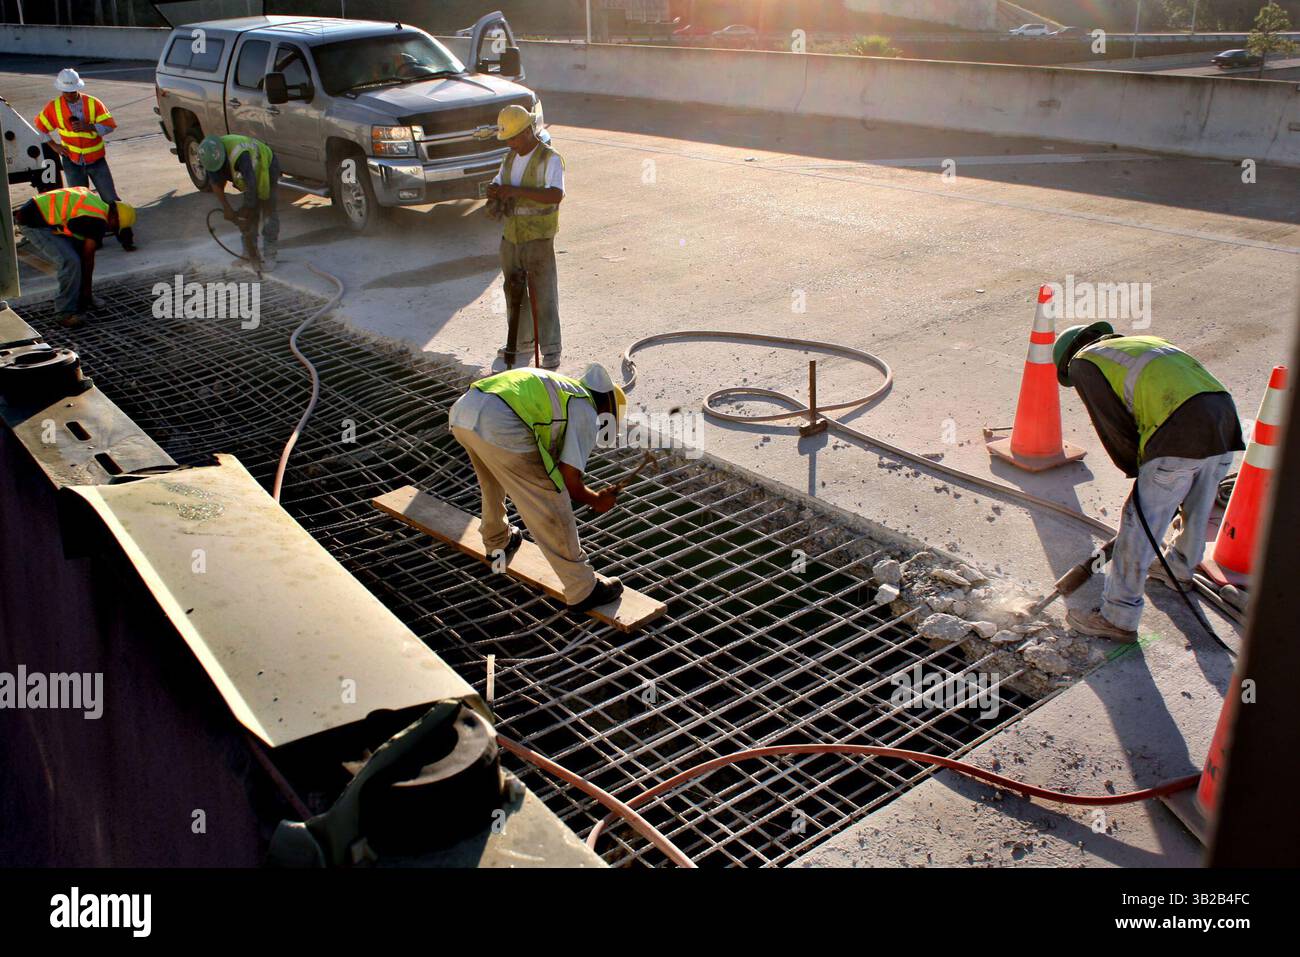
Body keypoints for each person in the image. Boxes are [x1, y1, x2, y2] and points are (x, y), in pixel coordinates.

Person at [1055, 323, 1245, 643]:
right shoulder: (1144, 343)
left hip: (1179, 430)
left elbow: (1113, 426)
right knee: (1199, 507)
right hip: (1224, 421)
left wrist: (1137, 470)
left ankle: (1118, 616)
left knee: (1138, 526)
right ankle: (1180, 569)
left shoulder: (1085, 361)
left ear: (1067, 362)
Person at [448, 363, 626, 611]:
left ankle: (497, 541)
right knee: (551, 499)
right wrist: (597, 500)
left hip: (464, 412)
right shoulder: (585, 407)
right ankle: (582, 588)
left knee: (492, 482)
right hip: (502, 421)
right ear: (607, 410)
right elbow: (568, 480)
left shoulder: (563, 389)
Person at [485, 104, 565, 370]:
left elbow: (555, 195)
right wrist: (495, 191)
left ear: (529, 131)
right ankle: (522, 341)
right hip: (511, 236)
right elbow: (500, 183)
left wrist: (515, 191)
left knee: (543, 292)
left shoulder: (549, 158)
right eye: (507, 138)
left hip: (538, 238)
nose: (510, 142)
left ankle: (551, 348)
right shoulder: (509, 158)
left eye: (515, 137)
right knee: (513, 290)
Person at [34, 68, 134, 251]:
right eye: (67, 92)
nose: (70, 96)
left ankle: (125, 237)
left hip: (96, 160)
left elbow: (110, 125)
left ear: (78, 88)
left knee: (111, 199)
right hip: (72, 162)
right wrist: (54, 146)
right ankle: (94, 239)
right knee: (80, 203)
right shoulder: (53, 107)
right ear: (61, 90)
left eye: (72, 92)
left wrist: (89, 127)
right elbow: (40, 128)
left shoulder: (93, 103)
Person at [15, 186, 135, 328]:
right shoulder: (97, 221)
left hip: (39, 216)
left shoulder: (97, 205)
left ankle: (79, 297)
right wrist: (87, 292)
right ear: (114, 217)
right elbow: (88, 259)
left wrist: (87, 292)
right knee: (70, 261)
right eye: (115, 228)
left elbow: (83, 248)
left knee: (76, 255)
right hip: (33, 223)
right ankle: (64, 312)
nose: (111, 231)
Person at [197, 134, 281, 270]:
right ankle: (249, 253)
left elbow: (252, 187)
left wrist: (246, 211)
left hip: (266, 165)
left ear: (223, 156)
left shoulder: (240, 155)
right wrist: (227, 208)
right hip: (249, 175)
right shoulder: (211, 158)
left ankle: (270, 255)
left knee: (267, 211)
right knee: (247, 216)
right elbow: (215, 183)